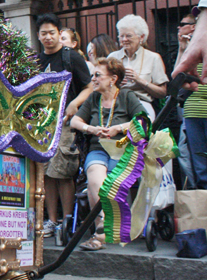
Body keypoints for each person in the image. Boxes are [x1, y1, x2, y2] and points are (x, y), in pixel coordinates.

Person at [71, 58, 146, 250]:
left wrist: (118, 128)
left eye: (98, 75)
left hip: (122, 150)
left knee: (107, 182)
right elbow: (74, 121)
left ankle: (100, 234)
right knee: (94, 177)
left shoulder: (126, 96)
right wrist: (91, 129)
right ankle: (102, 227)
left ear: (113, 79)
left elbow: (143, 121)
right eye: (92, 75)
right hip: (98, 149)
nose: (93, 79)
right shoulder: (93, 98)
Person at [35, 13, 93, 238]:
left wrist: (74, 104)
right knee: (47, 174)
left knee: (63, 172)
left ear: (59, 33)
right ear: (38, 36)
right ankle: (52, 220)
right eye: (44, 33)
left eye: (52, 32)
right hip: (42, 125)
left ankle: (67, 221)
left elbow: (89, 87)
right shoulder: (36, 61)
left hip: (66, 124)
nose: (48, 37)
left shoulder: (72, 57)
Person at [107, 14, 168, 120]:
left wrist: (138, 80)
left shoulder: (153, 58)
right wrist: (116, 83)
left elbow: (162, 93)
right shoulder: (112, 57)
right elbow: (101, 85)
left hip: (141, 104)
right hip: (115, 104)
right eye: (121, 36)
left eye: (128, 36)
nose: (124, 39)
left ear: (141, 37)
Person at [173, 13, 198, 189]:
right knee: (184, 152)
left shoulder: (200, 46)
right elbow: (177, 78)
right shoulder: (185, 47)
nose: (179, 27)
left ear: (194, 27)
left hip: (198, 107)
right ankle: (196, 190)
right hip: (187, 109)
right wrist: (182, 49)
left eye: (183, 24)